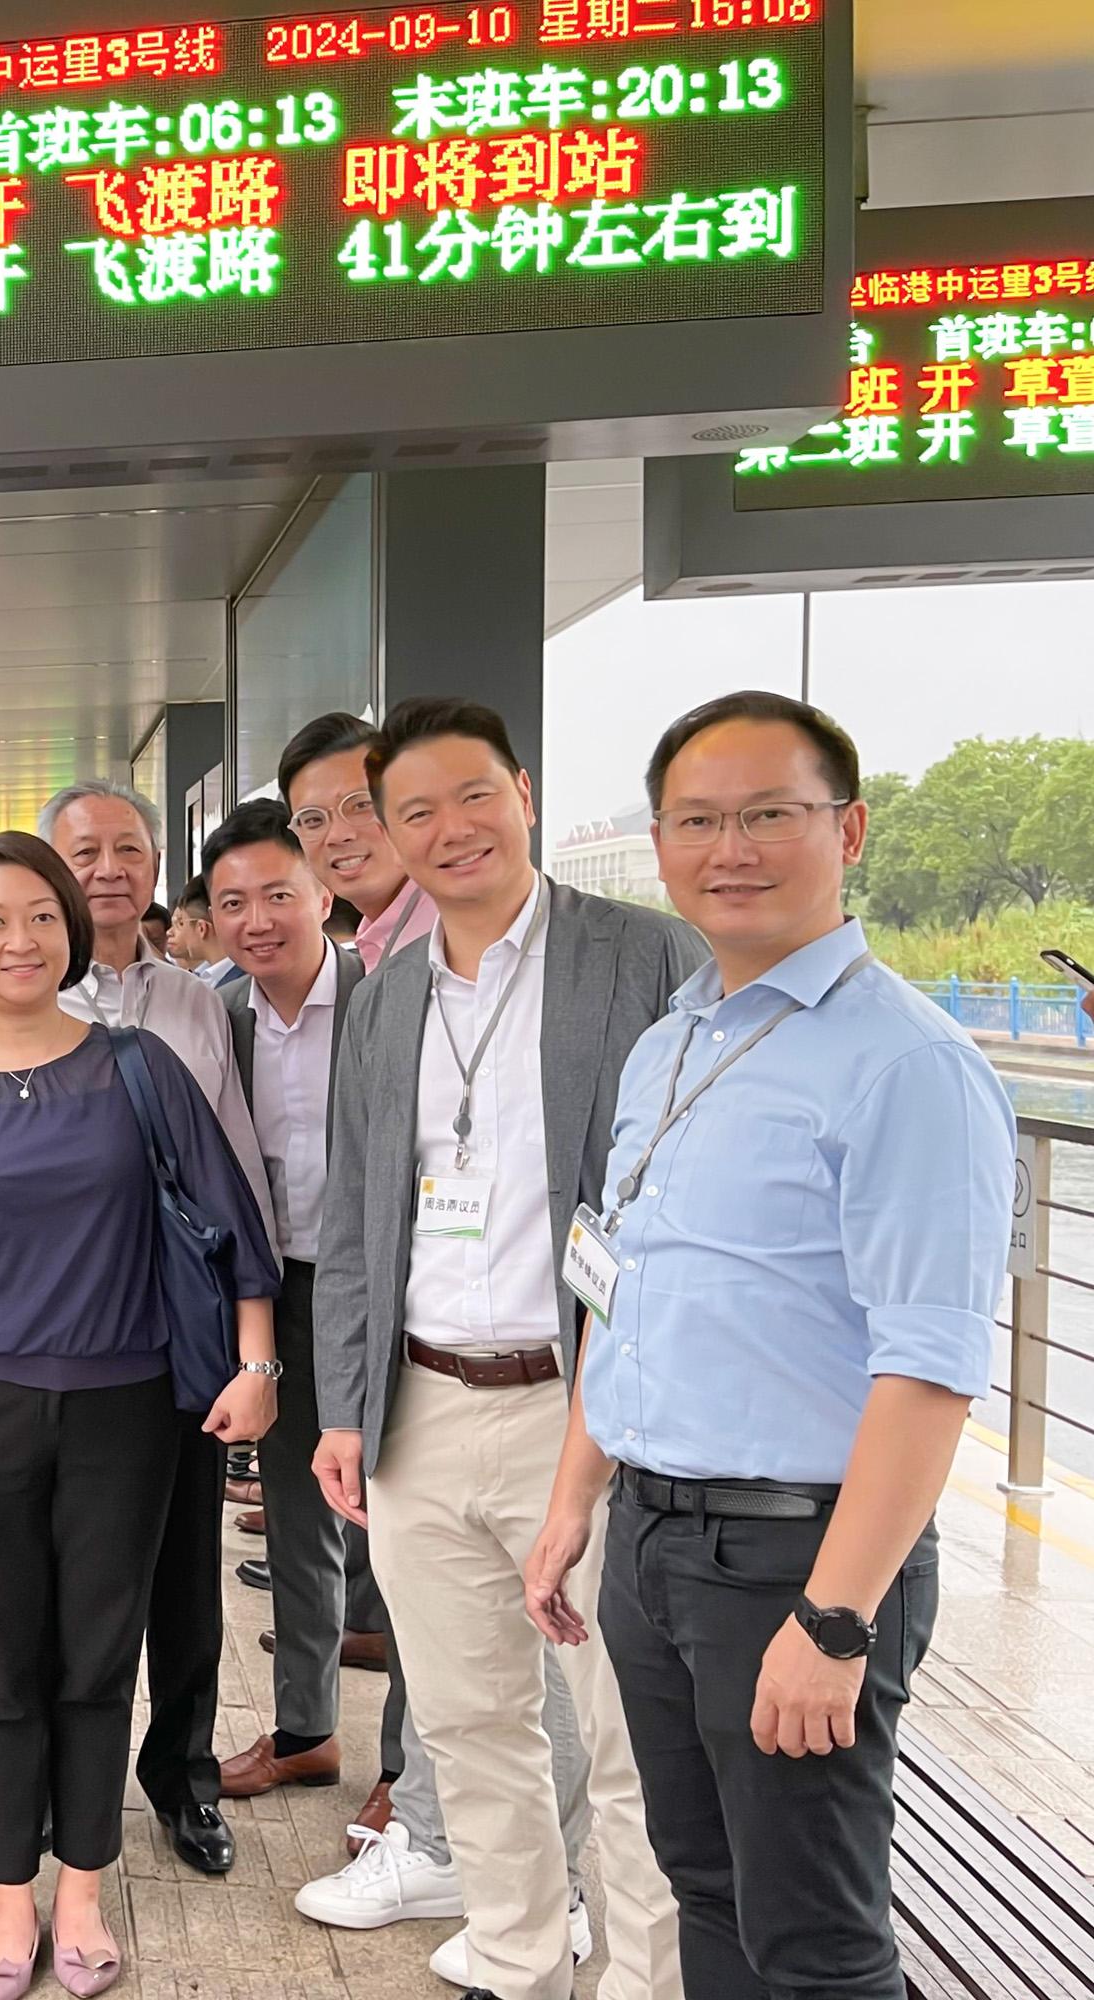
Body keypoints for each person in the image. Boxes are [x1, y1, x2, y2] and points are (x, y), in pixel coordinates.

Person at [523, 693, 1010, 2000]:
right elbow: (618, 1280)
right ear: (662, 842)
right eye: (696, 819)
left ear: (846, 830)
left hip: (795, 1554)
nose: (728, 847)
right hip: (654, 1540)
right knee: (707, 1890)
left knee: (816, 1941)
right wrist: (578, 1497)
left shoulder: (906, 1063)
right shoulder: (673, 1040)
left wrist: (837, 1617)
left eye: (767, 815)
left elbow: (930, 1370)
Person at [311, 698, 693, 2000]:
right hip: (420, 1406)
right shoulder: (387, 993)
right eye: (412, 811)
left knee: (626, 1731)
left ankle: (644, 1982)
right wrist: (346, 1408)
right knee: (471, 1723)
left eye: (470, 795)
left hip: (577, 1408)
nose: (447, 829)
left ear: (523, 792)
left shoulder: (643, 958)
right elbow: (354, 1218)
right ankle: (520, 1962)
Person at [0, 831, 280, 2000]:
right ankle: (9, 1899)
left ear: (73, 932)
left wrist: (257, 1363)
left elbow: (232, 1226)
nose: (21, 939)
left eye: (41, 916)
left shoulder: (136, 1063)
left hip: (128, 1408)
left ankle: (82, 1894)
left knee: (99, 1659)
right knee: (0, 1664)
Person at [40, 777, 272, 1877]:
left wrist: (249, 1334)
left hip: (177, 1324)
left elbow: (235, 1170)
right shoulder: (12, 987)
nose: (107, 868)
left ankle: (182, 1773)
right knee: (63, 1570)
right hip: (54, 1330)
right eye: (83, 849)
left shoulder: (198, 1001)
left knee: (186, 1572)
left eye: (127, 848)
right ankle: (52, 1774)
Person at [203, 805, 368, 1808]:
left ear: (323, 895)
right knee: (301, 1517)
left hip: (392, 1290)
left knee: (412, 1528)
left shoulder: (392, 999)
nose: (256, 918)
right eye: (232, 901)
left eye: (276, 893)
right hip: (280, 1292)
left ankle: (410, 1765)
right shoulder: (220, 1021)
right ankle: (307, 1728)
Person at [280, 714, 435, 973]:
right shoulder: (376, 938)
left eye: (361, 805)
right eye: (313, 819)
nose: (338, 835)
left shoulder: (457, 935)